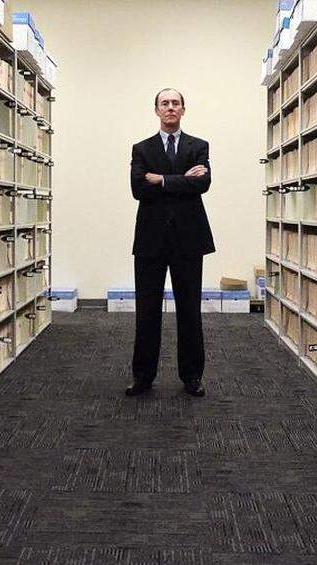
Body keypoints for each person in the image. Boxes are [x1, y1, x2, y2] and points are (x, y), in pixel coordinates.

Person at [126, 88, 215, 398]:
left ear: (183, 110)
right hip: (151, 239)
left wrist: (160, 179)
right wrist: (182, 180)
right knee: (146, 310)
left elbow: (202, 183)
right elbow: (138, 188)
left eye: (175, 103)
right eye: (165, 103)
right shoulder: (142, 148)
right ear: (156, 110)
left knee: (190, 310)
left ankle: (192, 377)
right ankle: (142, 377)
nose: (170, 108)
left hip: (188, 239)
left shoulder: (198, 146)